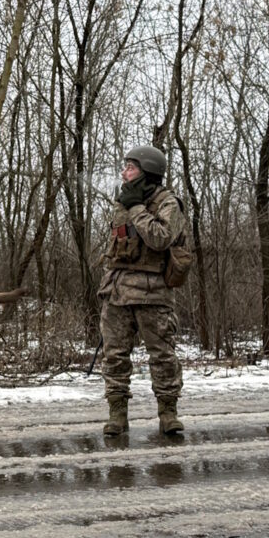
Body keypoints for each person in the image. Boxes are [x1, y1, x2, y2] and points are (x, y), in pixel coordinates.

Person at [97, 145, 188, 437]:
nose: (124, 173)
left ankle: (168, 414)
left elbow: (160, 239)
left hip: (154, 293)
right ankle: (117, 415)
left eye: (131, 167)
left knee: (162, 356)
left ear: (147, 172)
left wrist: (136, 208)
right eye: (125, 167)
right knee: (114, 356)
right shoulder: (123, 202)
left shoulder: (168, 202)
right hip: (118, 291)